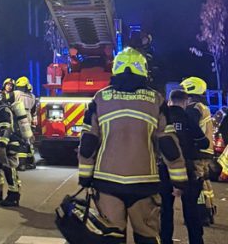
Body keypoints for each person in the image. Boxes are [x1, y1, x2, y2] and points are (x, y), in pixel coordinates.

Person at [78, 48, 188, 244]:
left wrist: (85, 177)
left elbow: (88, 142)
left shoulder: (100, 98)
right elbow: (168, 144)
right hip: (144, 184)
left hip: (107, 183)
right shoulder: (155, 100)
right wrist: (179, 180)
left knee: (110, 238)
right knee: (147, 238)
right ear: (143, 70)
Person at [160, 90, 209, 244]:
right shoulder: (187, 118)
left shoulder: (161, 119)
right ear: (185, 101)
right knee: (191, 209)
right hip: (187, 170)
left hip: (164, 169)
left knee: (165, 210)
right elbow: (204, 142)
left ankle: (165, 240)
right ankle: (196, 240)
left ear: (170, 101)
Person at [181, 76, 217, 226]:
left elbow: (191, 128)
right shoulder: (203, 107)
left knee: (197, 183)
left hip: (196, 151)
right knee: (205, 182)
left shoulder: (193, 108)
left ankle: (200, 214)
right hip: (206, 151)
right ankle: (209, 210)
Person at [13, 77, 38, 170]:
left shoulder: (15, 94)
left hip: (19, 117)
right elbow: (34, 111)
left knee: (20, 140)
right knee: (28, 141)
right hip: (28, 118)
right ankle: (31, 162)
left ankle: (21, 164)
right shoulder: (32, 97)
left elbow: (6, 99)